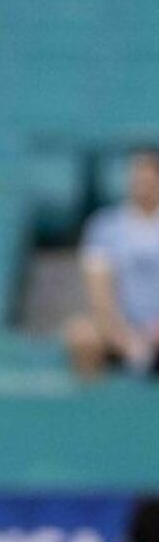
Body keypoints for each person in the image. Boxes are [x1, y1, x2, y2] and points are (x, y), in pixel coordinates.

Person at [65, 149, 159, 379]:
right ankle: (91, 409)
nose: (142, 183)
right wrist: (125, 340)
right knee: (82, 336)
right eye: (137, 176)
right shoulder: (104, 226)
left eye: (149, 176)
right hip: (118, 326)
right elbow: (99, 294)